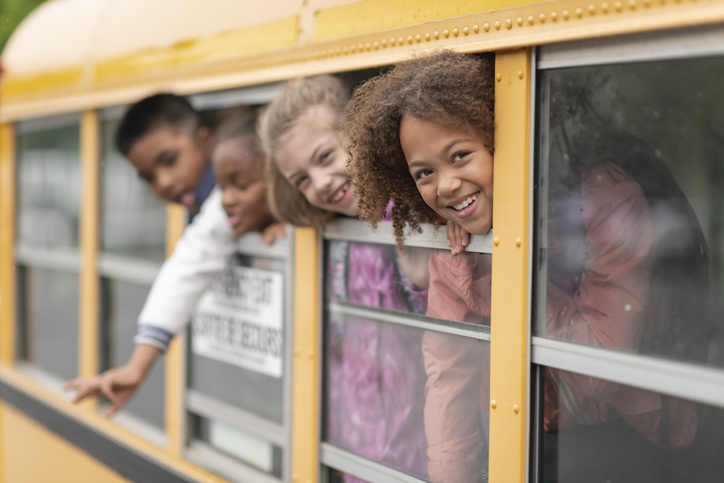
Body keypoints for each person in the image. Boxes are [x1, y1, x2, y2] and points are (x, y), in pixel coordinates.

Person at [346, 50, 708, 482]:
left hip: (626, 433)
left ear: (507, 138)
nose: (445, 184)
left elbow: (596, 366)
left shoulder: (607, 200)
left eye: (460, 155)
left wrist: (496, 271)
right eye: (423, 173)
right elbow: (448, 370)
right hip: (519, 430)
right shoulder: (455, 236)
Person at [257, 75, 429, 480]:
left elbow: (449, 324)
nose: (318, 184)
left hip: (420, 451)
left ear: (359, 133)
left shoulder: (410, 215)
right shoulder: (333, 232)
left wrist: (419, 279)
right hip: (357, 447)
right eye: (300, 179)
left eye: (324, 157)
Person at [65, 97, 282, 414]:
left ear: (204, 141)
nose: (164, 183)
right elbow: (190, 262)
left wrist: (137, 366)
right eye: (149, 177)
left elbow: (189, 264)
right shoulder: (210, 203)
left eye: (169, 161)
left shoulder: (222, 197)